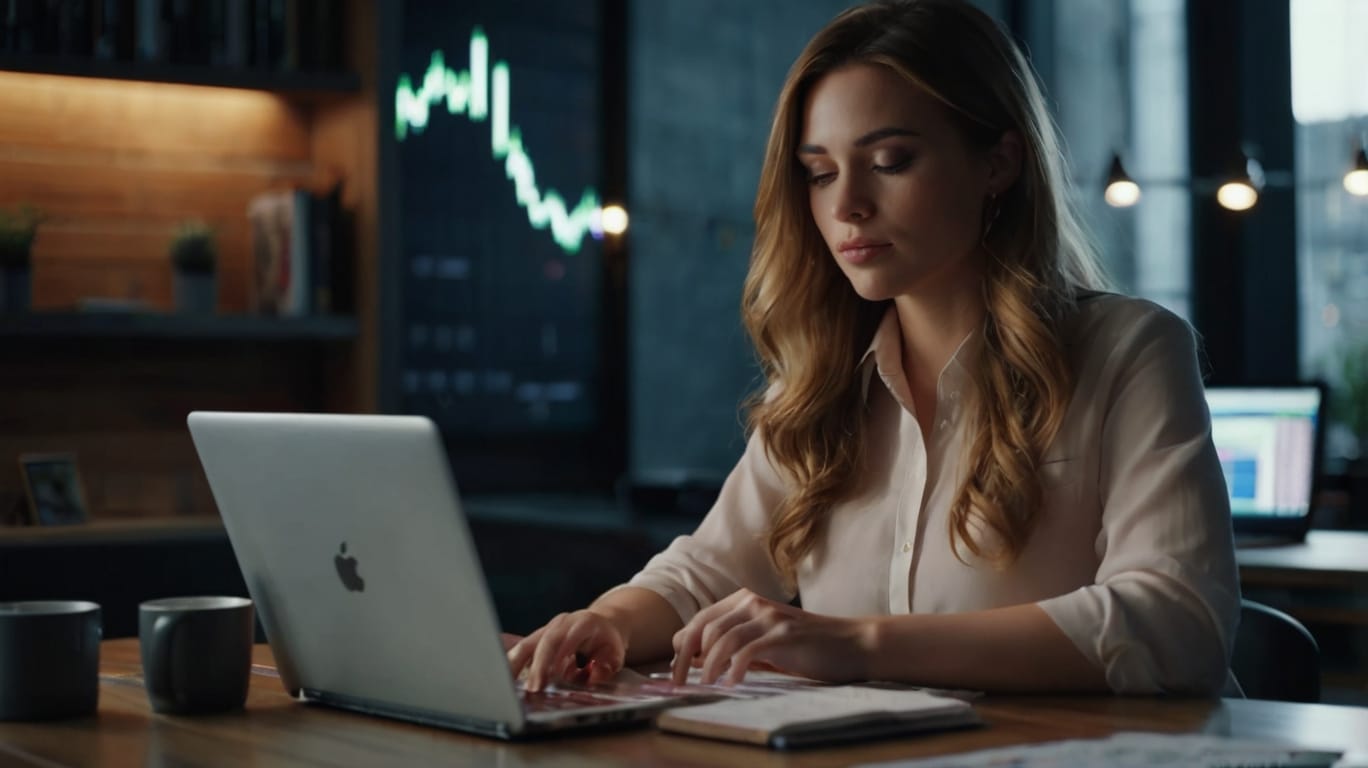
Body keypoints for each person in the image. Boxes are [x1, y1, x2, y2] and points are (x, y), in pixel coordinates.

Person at [508, 0, 1239, 696]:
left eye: (889, 161)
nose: (846, 204)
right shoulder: (825, 384)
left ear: (1000, 163)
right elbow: (705, 571)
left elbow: (1179, 619)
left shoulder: (1130, 350)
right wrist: (604, 622)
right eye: (820, 172)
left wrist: (858, 643)